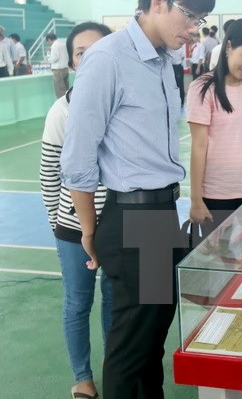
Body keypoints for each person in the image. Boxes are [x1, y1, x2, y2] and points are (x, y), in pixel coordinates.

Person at [60, 0, 216, 399]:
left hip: (160, 216)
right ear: (158, 1)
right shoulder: (108, 59)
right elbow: (78, 157)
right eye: (190, 15)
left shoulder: (164, 61)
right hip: (134, 221)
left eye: (200, 20)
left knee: (150, 342)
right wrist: (89, 228)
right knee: (131, 352)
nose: (193, 29)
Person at [40, 21, 113, 399]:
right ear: (71, 62)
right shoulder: (60, 112)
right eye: (82, 52)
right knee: (78, 302)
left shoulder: (122, 102)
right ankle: (83, 376)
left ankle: (112, 369)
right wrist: (59, 223)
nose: (91, 57)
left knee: (119, 302)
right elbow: (49, 175)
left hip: (120, 223)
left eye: (99, 49)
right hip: (72, 230)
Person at [187, 19, 242, 230]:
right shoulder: (203, 88)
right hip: (216, 193)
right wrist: (196, 199)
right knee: (217, 257)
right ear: (229, 46)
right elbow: (199, 146)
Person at [46, 32, 70, 98]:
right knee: (66, 90)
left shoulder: (54, 45)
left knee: (60, 92)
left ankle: (62, 107)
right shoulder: (62, 44)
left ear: (49, 39)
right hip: (65, 69)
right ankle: (68, 105)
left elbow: (54, 58)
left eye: (48, 41)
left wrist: (48, 59)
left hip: (58, 71)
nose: (49, 43)